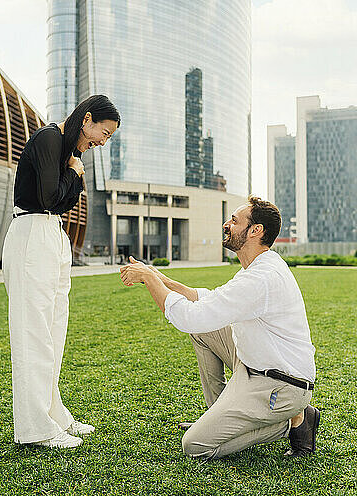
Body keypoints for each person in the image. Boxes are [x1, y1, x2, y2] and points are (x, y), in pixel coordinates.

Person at [120, 196, 320, 459]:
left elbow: (188, 317)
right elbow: (208, 298)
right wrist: (158, 277)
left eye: (235, 221)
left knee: (195, 446)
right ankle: (219, 416)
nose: (227, 224)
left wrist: (148, 278)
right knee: (205, 331)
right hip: (255, 364)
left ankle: (292, 420)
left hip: (279, 383)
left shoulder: (261, 278)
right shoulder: (258, 266)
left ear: (255, 231)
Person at [2, 94, 120, 448]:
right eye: (104, 132)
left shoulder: (72, 151)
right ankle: (35, 429)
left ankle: (54, 414)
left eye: (109, 137)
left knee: (53, 332)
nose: (103, 141)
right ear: (86, 119)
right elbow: (51, 196)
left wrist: (73, 170)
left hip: (53, 234)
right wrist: (73, 172)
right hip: (31, 233)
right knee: (33, 334)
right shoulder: (49, 139)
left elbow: (66, 203)